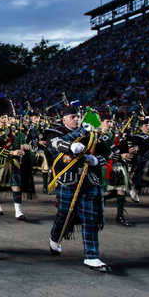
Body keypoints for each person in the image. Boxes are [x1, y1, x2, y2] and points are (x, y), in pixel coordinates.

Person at [43, 105, 112, 272]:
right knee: (64, 213)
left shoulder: (90, 133)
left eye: (78, 116)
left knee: (90, 218)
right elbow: (55, 144)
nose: (76, 119)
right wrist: (71, 146)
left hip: (89, 180)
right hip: (68, 180)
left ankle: (92, 256)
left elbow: (107, 153)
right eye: (73, 117)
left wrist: (96, 160)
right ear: (64, 118)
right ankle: (55, 237)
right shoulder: (55, 131)